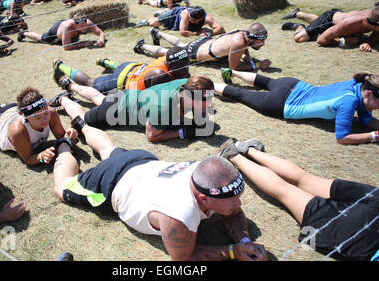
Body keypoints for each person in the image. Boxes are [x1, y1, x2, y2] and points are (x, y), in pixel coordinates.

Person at [50, 123, 267, 261]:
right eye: (232, 200)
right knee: (63, 187)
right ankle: (65, 145)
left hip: (140, 161)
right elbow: (185, 258)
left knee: (109, 151)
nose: (238, 205)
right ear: (203, 198)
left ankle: (83, 125)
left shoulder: (206, 173)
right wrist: (232, 252)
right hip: (112, 182)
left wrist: (244, 242)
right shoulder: (178, 214)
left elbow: (234, 213)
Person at [218, 138, 379, 260]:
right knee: (285, 191)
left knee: (306, 179)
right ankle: (234, 156)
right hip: (369, 239)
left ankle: (246, 149)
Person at [215, 71, 379, 145]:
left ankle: (231, 71)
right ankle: (207, 83)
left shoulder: (358, 85)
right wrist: (375, 136)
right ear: (369, 94)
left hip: (292, 84)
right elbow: (342, 137)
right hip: (282, 103)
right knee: (241, 95)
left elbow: (366, 119)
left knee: (264, 81)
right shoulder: (348, 103)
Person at [50, 75, 215, 142]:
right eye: (205, 99)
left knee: (100, 99)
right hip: (117, 110)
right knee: (82, 121)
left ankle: (70, 85)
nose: (210, 103)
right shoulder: (164, 108)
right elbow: (151, 136)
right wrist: (182, 132)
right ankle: (63, 99)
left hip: (130, 96)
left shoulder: (188, 83)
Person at [0, 87, 78, 166]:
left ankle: (2, 106)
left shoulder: (51, 113)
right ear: (25, 116)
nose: (44, 119)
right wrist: (41, 156)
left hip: (11, 109)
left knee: (15, 105)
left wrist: (71, 134)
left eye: (45, 113)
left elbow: (62, 137)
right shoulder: (18, 131)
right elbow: (29, 158)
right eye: (38, 117)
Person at [134, 23, 271, 71]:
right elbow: (234, 67)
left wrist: (246, 54)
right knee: (169, 53)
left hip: (204, 42)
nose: (263, 44)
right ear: (253, 38)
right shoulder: (239, 43)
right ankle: (142, 46)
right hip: (197, 53)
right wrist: (258, 66)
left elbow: (243, 45)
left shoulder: (242, 33)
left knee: (181, 44)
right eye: (261, 41)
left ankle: (157, 32)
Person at [52, 46, 191, 93]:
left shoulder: (171, 58)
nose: (187, 70)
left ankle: (105, 62)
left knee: (120, 66)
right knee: (90, 83)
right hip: (122, 80)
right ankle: (61, 66)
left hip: (133, 67)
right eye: (182, 68)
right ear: (171, 66)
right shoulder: (161, 76)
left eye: (187, 65)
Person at [281, 3, 379, 52]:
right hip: (330, 18)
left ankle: (302, 15)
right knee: (299, 38)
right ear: (374, 24)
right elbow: (321, 40)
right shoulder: (351, 24)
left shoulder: (378, 16)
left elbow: (377, 34)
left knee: (322, 27)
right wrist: (342, 42)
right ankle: (298, 20)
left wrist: (368, 43)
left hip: (339, 23)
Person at [17, 14, 105, 51]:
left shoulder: (87, 22)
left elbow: (100, 32)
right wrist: (83, 44)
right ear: (75, 24)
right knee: (41, 38)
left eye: (85, 25)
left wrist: (101, 39)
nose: (85, 27)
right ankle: (23, 33)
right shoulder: (68, 27)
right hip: (55, 31)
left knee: (73, 38)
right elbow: (66, 47)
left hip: (67, 31)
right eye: (81, 26)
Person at [135, 6, 225, 38]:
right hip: (174, 15)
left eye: (193, 20)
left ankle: (162, 13)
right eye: (189, 18)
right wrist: (198, 33)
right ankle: (151, 18)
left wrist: (209, 34)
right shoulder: (186, 14)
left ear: (200, 19)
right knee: (153, 24)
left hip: (181, 21)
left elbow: (220, 28)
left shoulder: (206, 17)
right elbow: (182, 32)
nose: (190, 20)